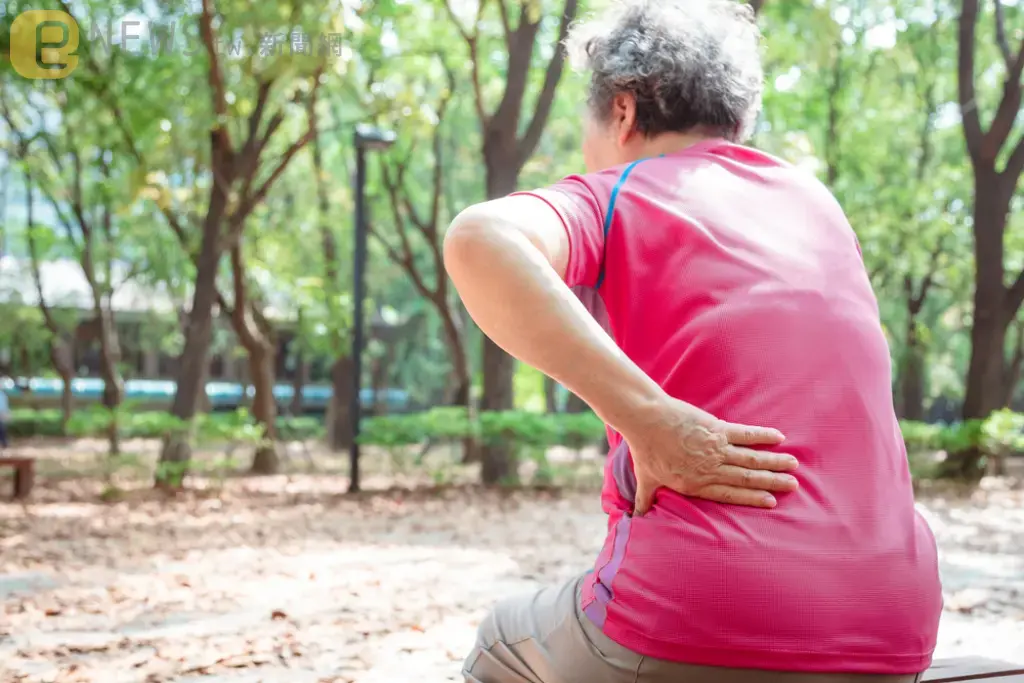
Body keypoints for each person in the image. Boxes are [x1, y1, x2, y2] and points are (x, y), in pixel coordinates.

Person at [442, 1, 943, 682]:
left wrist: (648, 418)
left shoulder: (617, 192)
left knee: (504, 639)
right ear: (738, 121)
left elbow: (479, 239)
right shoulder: (816, 206)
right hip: (895, 632)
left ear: (621, 112)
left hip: (692, 619)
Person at [0, 379, 9, 450]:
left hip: (1, 414)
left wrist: (5, 413)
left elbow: (4, 406)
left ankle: (4, 443)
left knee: (2, 428)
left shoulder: (2, 395)